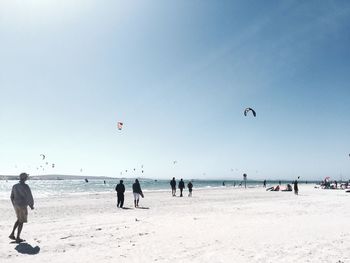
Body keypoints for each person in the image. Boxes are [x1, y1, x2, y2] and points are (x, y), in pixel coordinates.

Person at [9, 173, 34, 243]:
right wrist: (31, 205)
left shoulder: (15, 186)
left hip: (16, 205)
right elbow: (29, 196)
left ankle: (12, 234)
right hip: (22, 205)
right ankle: (17, 238)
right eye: (26, 177)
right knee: (21, 221)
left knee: (19, 219)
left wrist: (14, 204)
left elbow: (11, 196)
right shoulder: (26, 186)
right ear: (25, 178)